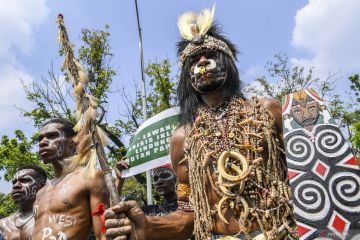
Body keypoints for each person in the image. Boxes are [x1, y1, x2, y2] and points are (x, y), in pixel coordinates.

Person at [105, 7, 297, 240]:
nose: (203, 61)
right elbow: (188, 215)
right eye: (194, 59)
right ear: (187, 76)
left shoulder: (266, 111)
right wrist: (147, 225)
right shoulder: (182, 138)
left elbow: (306, 178)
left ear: (229, 63)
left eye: (211, 55)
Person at [32, 118, 109, 239]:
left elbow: (103, 234)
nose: (42, 142)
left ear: (73, 142)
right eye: (40, 138)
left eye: (52, 136)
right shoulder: (41, 192)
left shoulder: (90, 177)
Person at [0, 165, 47, 240]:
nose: (16, 186)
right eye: (14, 182)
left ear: (42, 186)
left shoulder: (51, 220)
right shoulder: (2, 225)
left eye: (25, 180)